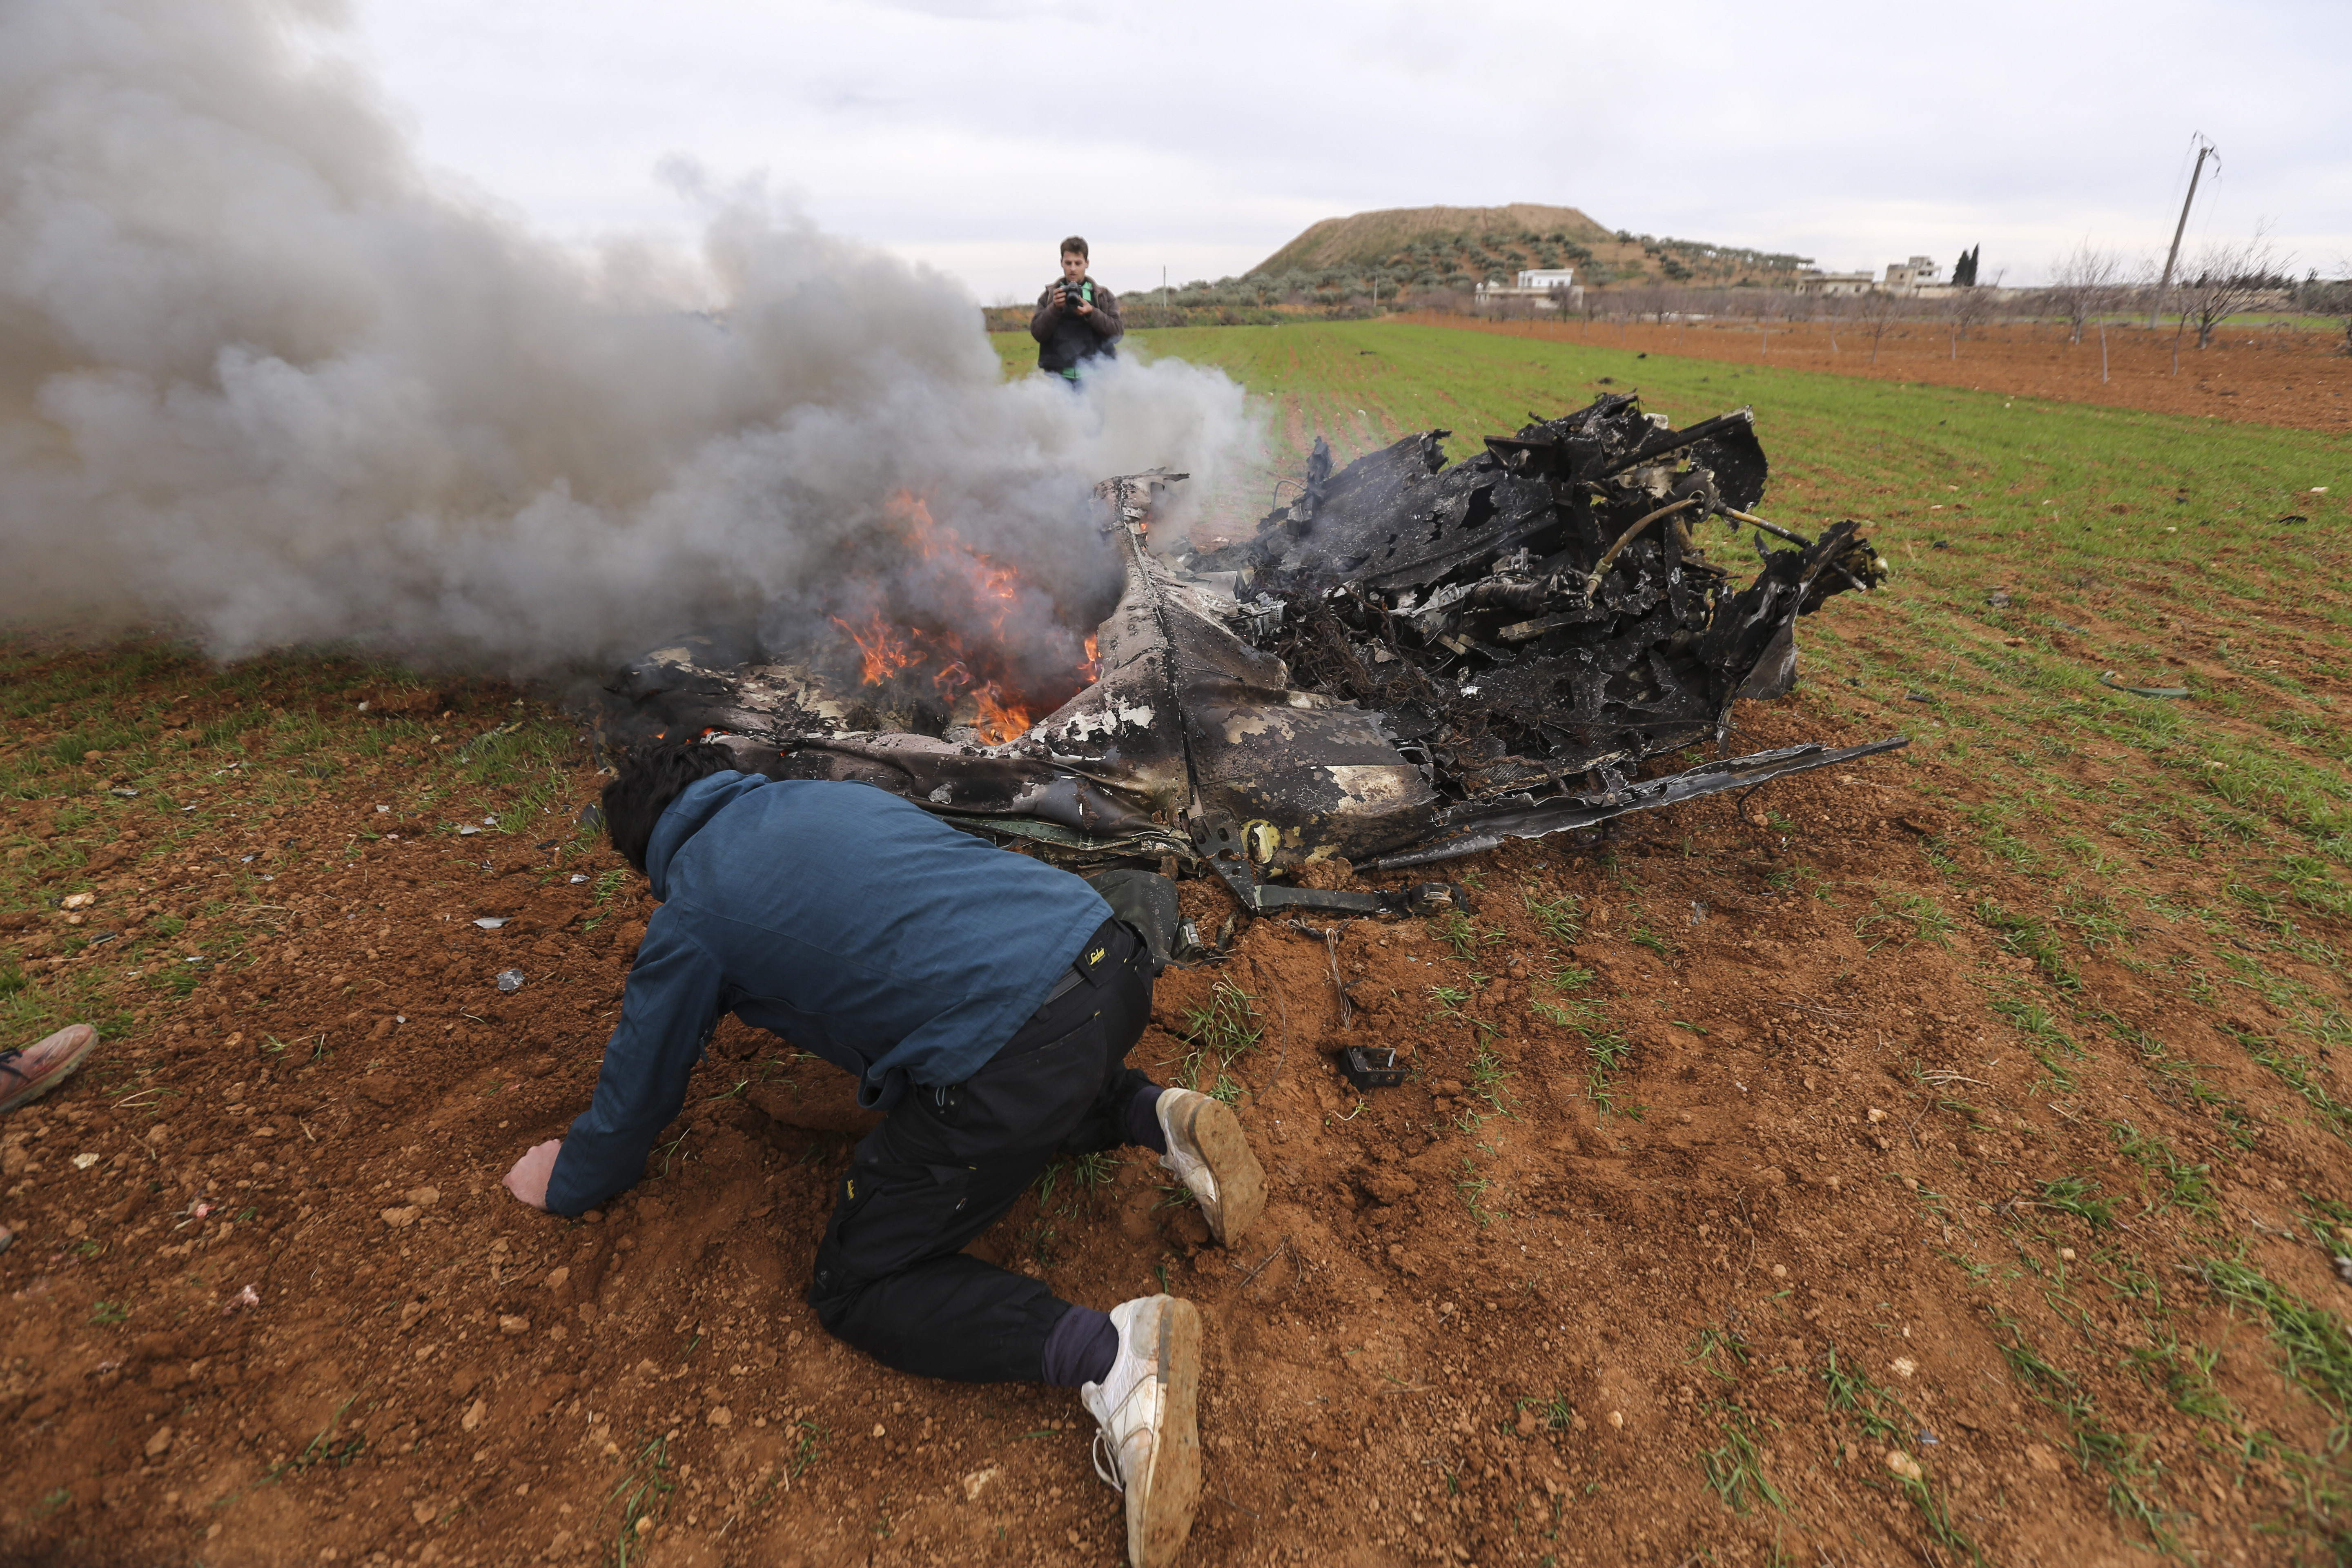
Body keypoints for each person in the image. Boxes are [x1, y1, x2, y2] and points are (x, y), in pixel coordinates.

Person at [499, 741, 1262, 1568]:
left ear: (647, 852)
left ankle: (1114, 1357)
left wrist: (571, 1177)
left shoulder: (693, 913)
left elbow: (640, 1088)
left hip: (1018, 1051)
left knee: (861, 1285)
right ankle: (1159, 1115)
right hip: (1105, 961)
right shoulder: (825, 798)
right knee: (999, 1063)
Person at [1031, 235, 1123, 380]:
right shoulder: (1049, 296)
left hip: (1097, 379)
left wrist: (1092, 313)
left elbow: (1117, 334)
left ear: (1087, 263)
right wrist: (1054, 309)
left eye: (1078, 263)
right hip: (1061, 380)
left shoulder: (1103, 296)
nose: (1073, 269)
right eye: (1068, 263)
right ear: (1061, 263)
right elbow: (1038, 334)